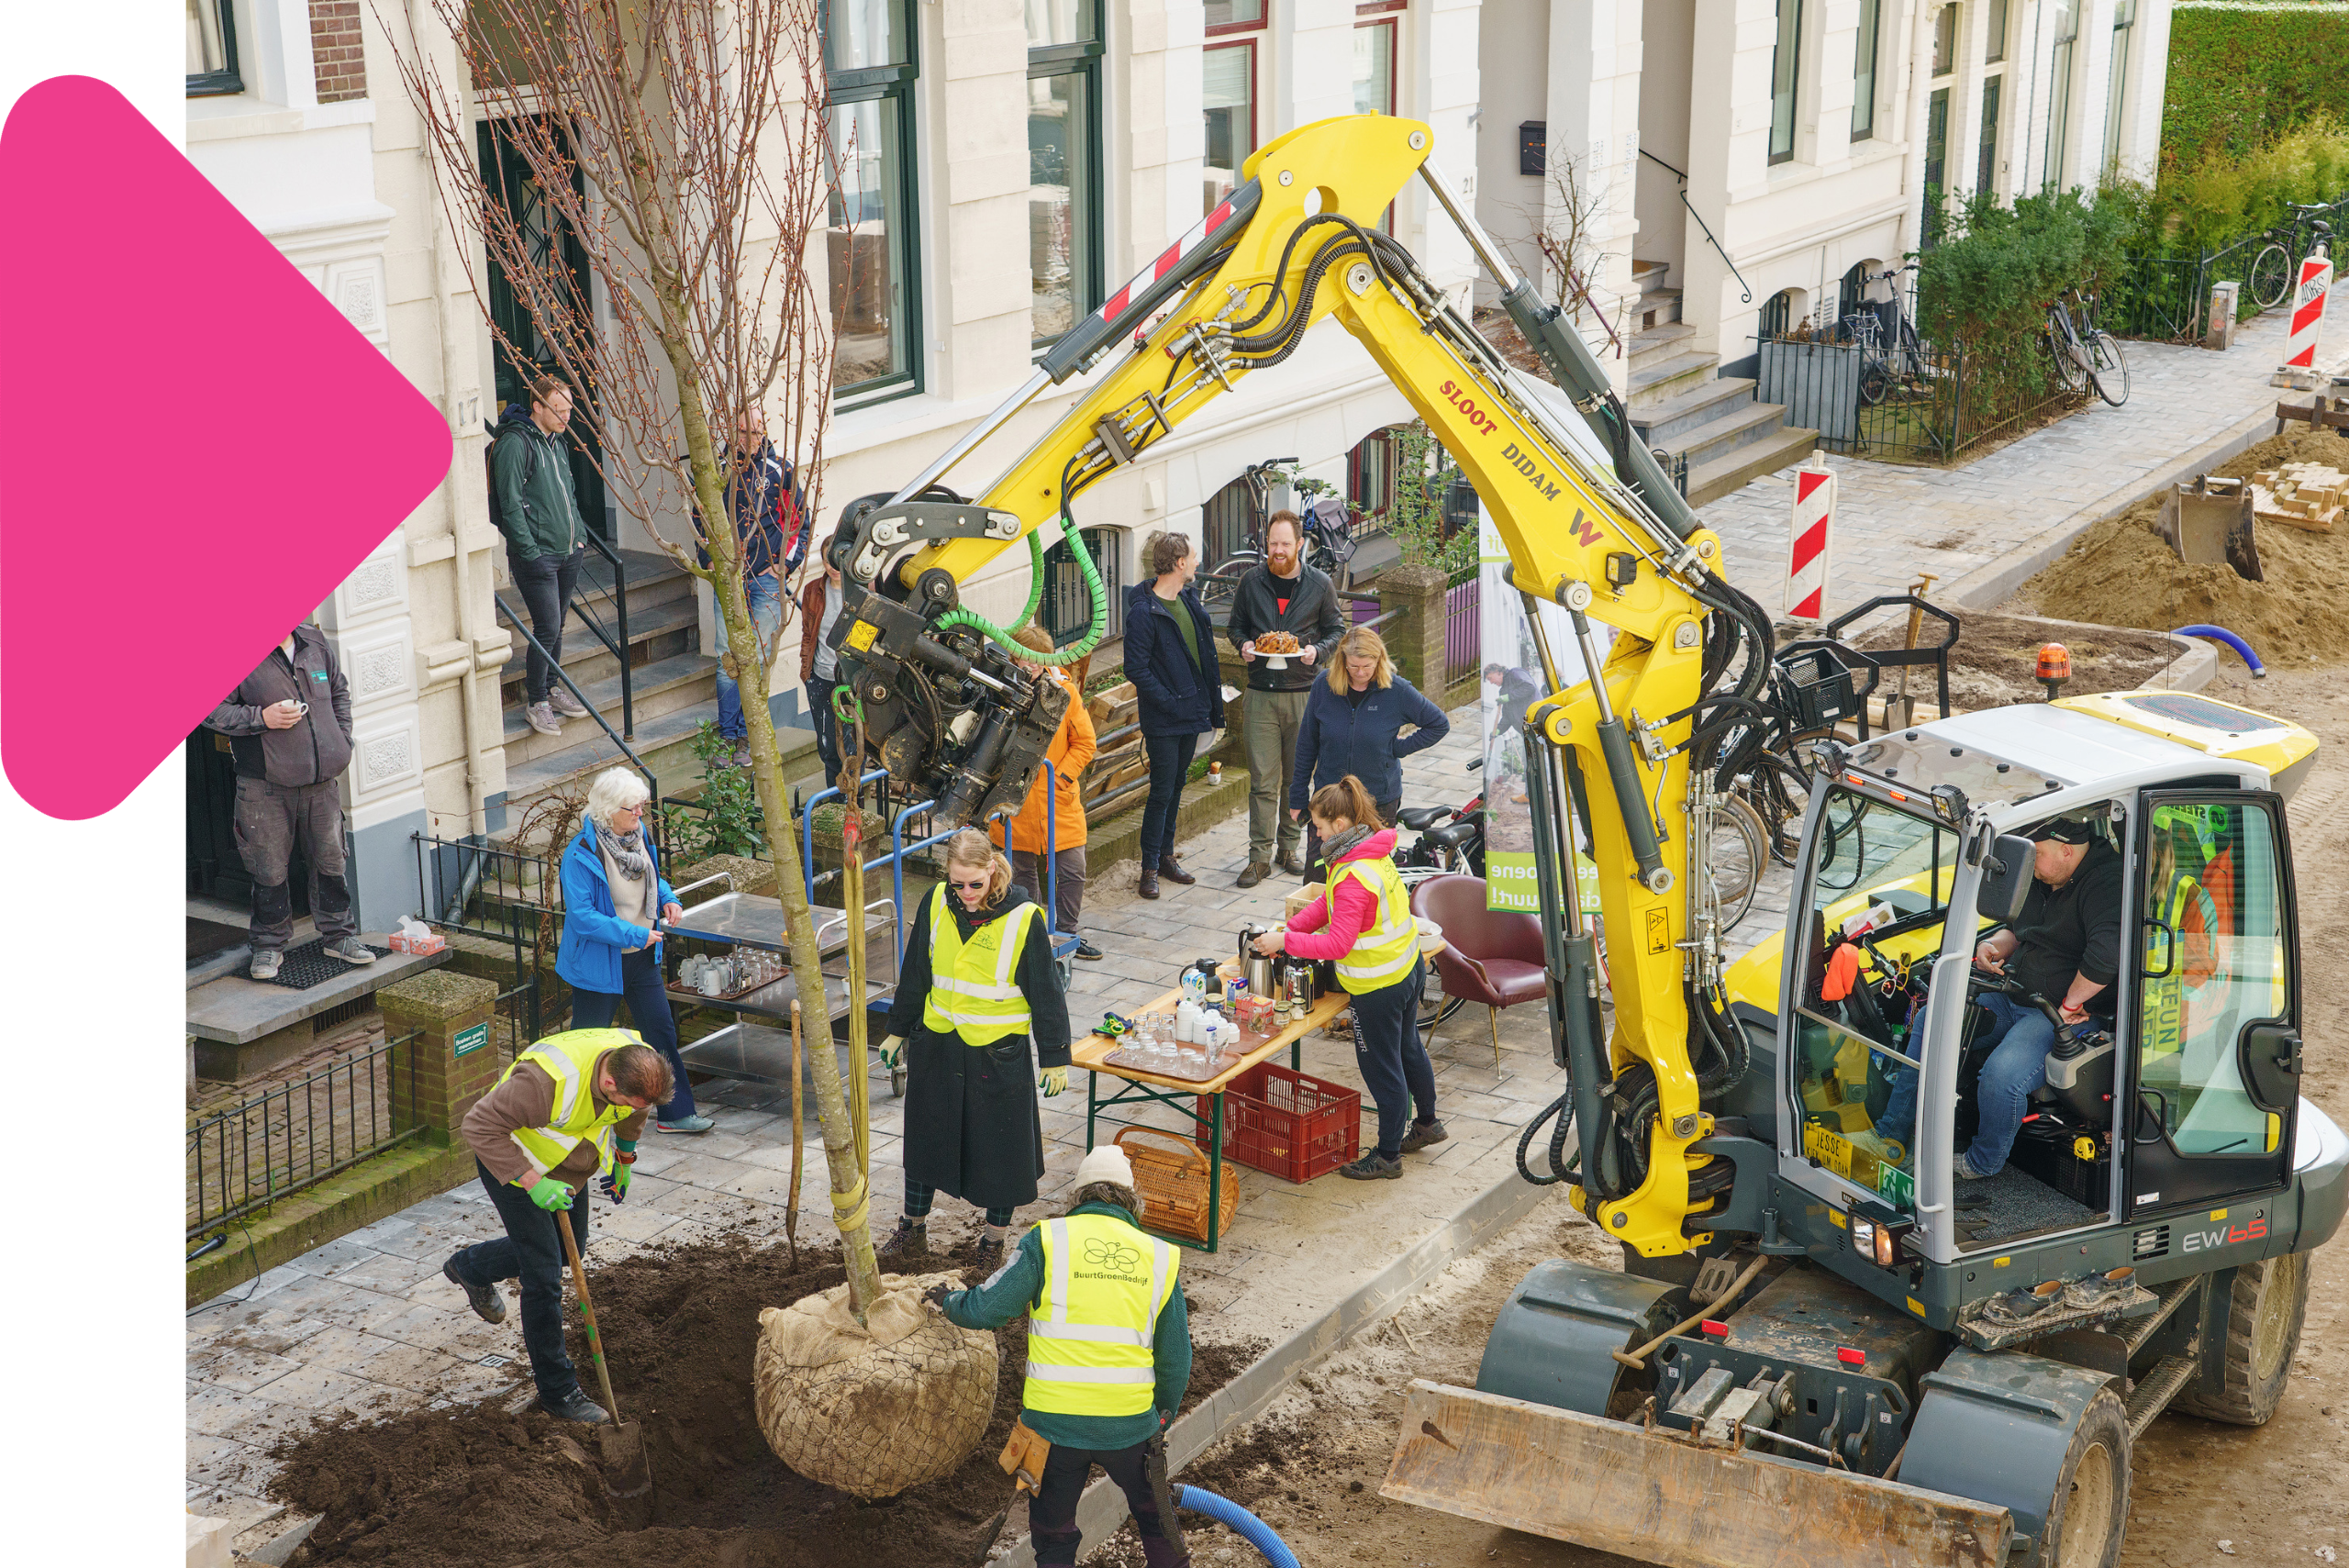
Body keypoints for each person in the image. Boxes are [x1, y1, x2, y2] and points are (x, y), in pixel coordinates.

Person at [926, 1143, 1191, 1568]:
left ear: (1078, 1197)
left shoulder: (1046, 1242)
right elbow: (1176, 1358)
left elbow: (990, 1308)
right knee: (1157, 1520)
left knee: (1053, 1535)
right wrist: (1160, 1417)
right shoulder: (1158, 1257)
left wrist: (950, 1301)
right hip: (1128, 1425)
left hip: (1053, 1427)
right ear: (1132, 1200)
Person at [442, 1029, 675, 1424]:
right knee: (544, 1276)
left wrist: (625, 1156)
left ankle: (470, 1267)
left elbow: (636, 1109)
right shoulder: (544, 1083)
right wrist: (533, 1182)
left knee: (571, 1251)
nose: (633, 1107)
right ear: (608, 1082)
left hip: (569, 1165)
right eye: (623, 1098)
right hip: (517, 1164)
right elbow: (478, 1126)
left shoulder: (641, 1064)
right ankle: (558, 1391)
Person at [1876, 812, 2123, 1179]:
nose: (2031, 865)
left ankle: (1981, 1162)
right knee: (1934, 1021)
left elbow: (2106, 958)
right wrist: (1993, 945)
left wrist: (2069, 1006)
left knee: (2002, 1075)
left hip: (2057, 1011)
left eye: (2036, 854)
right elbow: (2024, 931)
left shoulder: (2106, 884)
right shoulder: (2047, 874)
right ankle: (1891, 1135)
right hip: (2014, 991)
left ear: (2067, 851)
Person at [879, 828, 1074, 1269]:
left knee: (1002, 1153)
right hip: (938, 1046)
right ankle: (912, 1230)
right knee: (926, 1142)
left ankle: (991, 1244)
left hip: (998, 1055)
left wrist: (1057, 1056)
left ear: (992, 870)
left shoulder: (1025, 918)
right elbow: (916, 972)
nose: (965, 893)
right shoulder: (935, 902)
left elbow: (1046, 993)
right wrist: (898, 1029)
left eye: (975, 884)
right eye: (957, 884)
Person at [1253, 776, 1443, 1178]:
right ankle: (1427, 1123)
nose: (1315, 833)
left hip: (1378, 987)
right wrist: (1291, 931)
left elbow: (1339, 944)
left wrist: (1287, 943)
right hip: (1408, 968)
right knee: (1409, 1048)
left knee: (1382, 1068)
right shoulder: (1368, 851)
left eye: (1319, 826)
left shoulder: (1353, 872)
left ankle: (1388, 1157)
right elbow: (1328, 902)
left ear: (1339, 824)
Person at [206, 623, 373, 980]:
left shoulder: (313, 640)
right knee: (267, 868)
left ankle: (339, 936)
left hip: (322, 783)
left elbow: (339, 691)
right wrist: (260, 718)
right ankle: (268, 946)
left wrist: (342, 740)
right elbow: (210, 709)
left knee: (331, 860)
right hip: (264, 785)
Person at [554, 767, 711, 1133]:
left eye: (641, 807)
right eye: (633, 808)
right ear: (609, 810)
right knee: (587, 1044)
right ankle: (572, 1118)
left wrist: (669, 899)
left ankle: (675, 1113)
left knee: (662, 1032)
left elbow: (653, 877)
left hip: (641, 959)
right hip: (598, 964)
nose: (640, 814)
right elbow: (582, 918)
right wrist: (633, 934)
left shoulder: (637, 836)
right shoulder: (580, 855)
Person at [1225, 510, 1345, 887]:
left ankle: (1289, 847)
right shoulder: (1250, 581)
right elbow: (1236, 627)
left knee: (1296, 779)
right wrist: (1243, 645)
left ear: (1299, 545)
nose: (1278, 551)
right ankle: (1258, 857)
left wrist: (1318, 652)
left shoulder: (1319, 584)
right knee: (1262, 779)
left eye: (1285, 544)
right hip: (1260, 693)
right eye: (1272, 544)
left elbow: (1337, 629)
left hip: (1303, 695)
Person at [1289, 625, 1449, 878]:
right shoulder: (1324, 685)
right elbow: (1307, 741)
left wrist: (1399, 747)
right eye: (1354, 666)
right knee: (1321, 872)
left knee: (1369, 877)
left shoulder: (1397, 690)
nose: (1361, 673)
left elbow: (1438, 723)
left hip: (1378, 799)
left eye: (1368, 666)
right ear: (1342, 662)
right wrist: (1298, 794)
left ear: (1379, 660)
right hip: (1330, 796)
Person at [698, 406, 804, 769]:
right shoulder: (715, 471)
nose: (751, 441)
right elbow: (701, 517)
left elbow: (800, 523)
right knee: (727, 655)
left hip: (765, 580)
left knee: (757, 657)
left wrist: (786, 564)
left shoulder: (782, 472)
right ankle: (728, 737)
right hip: (728, 578)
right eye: (743, 432)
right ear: (731, 432)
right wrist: (707, 558)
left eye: (757, 433)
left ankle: (748, 735)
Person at [1122, 531, 1224, 900]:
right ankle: (1148, 868)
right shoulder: (1143, 612)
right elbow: (1135, 667)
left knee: (1177, 785)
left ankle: (1166, 856)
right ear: (1180, 563)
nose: (1197, 562)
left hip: (1193, 711)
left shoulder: (1188, 599)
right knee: (1161, 791)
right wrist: (1167, 700)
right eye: (1193, 557)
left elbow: (1204, 653)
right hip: (1165, 718)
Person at [492, 374, 593, 739]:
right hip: (537, 557)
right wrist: (529, 551)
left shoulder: (556, 443)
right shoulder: (515, 444)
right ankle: (536, 701)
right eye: (559, 410)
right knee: (547, 626)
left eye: (569, 410)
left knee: (558, 626)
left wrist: (579, 536)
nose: (566, 417)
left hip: (568, 551)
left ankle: (551, 687)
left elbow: (569, 491)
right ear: (537, 405)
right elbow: (510, 503)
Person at [1003, 625, 1102, 961]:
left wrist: (1060, 778)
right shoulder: (1000, 691)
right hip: (1014, 802)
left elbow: (1085, 742)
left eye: (1035, 660)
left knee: (1073, 870)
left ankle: (1068, 937)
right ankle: (1032, 939)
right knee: (1020, 874)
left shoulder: (1065, 692)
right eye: (1022, 659)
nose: (1029, 666)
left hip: (1057, 800)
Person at [798, 528, 848, 787]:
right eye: (829, 560)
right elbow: (809, 633)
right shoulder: (813, 590)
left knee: (851, 747)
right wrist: (807, 674)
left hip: (852, 681)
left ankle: (854, 800)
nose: (834, 567)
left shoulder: (862, 591)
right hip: (821, 677)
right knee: (827, 744)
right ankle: (836, 800)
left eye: (838, 559)